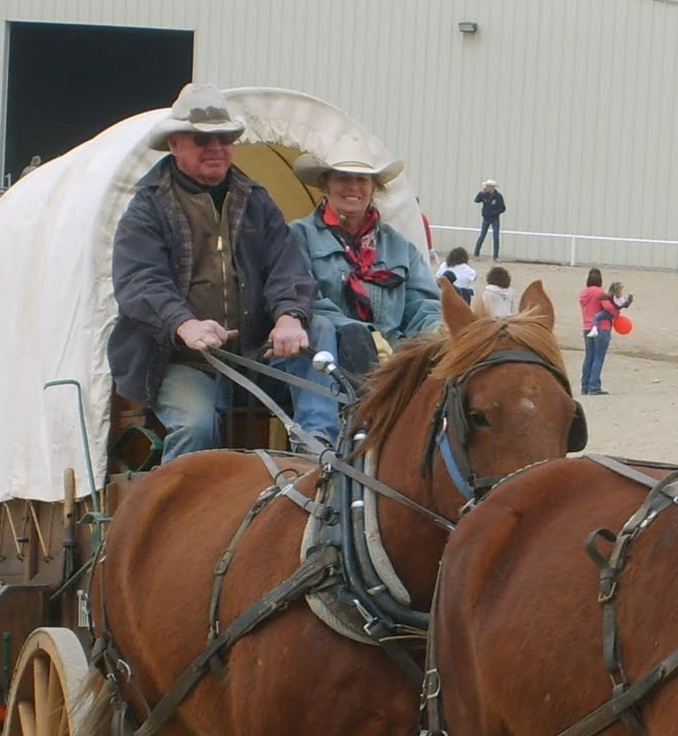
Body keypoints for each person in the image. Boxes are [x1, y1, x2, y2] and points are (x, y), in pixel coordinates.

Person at [108, 82, 339, 462]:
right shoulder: (147, 209)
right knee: (196, 427)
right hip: (183, 361)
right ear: (174, 145)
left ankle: (315, 452)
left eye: (225, 138)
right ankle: (176, 513)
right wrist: (184, 325)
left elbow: (286, 266)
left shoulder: (256, 201)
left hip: (252, 355)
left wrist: (288, 317)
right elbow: (139, 282)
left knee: (320, 328)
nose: (216, 148)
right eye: (202, 140)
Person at [289, 146, 440, 373]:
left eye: (362, 179)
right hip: (329, 360)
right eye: (343, 178)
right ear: (325, 184)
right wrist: (366, 335)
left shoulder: (400, 247)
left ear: (373, 189)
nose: (353, 186)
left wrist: (438, 329)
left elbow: (422, 305)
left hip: (396, 360)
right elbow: (306, 303)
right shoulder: (299, 236)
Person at [577, 268, 632, 395]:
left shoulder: (583, 293)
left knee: (588, 358)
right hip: (602, 328)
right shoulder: (600, 292)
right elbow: (608, 307)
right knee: (598, 358)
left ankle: (585, 387)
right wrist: (616, 312)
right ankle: (594, 387)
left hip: (587, 327)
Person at [473, 179, 505, 258]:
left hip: (494, 219)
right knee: (482, 236)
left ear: (492, 187)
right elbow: (476, 200)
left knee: (496, 237)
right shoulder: (484, 195)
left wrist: (495, 212)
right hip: (486, 218)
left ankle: (495, 256)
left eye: (487, 186)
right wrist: (481, 193)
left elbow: (503, 208)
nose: (486, 188)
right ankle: (476, 253)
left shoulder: (498, 196)